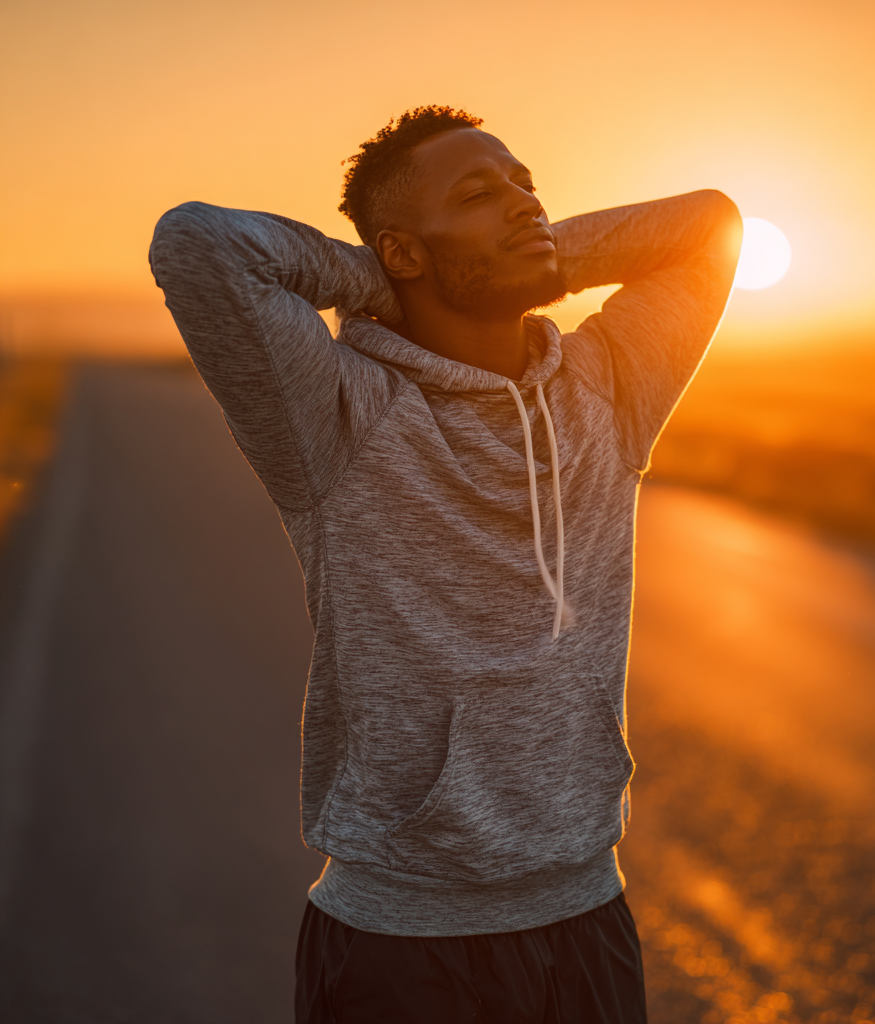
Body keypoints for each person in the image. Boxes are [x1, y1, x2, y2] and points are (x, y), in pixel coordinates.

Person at [149, 104, 741, 1024]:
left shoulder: (608, 387)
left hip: (587, 918)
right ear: (403, 250)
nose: (524, 203)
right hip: (401, 948)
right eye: (477, 195)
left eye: (526, 186)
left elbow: (708, 226)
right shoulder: (337, 415)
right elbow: (199, 245)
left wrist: (533, 256)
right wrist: (387, 276)